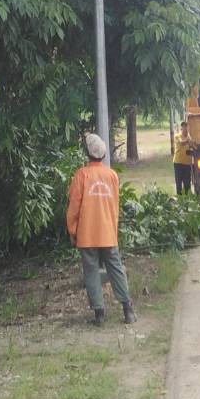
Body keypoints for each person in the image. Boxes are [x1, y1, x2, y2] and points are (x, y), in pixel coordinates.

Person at [66, 132, 137, 325]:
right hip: (107, 233)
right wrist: (113, 229)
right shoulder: (112, 175)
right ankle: (128, 310)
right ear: (103, 154)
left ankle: (99, 314)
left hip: (86, 234)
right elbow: (115, 206)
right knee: (116, 269)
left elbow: (74, 207)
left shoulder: (82, 175)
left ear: (87, 153)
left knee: (91, 272)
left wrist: (72, 231)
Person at [172, 119, 194, 195]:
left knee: (187, 183)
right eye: (183, 127)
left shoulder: (189, 137)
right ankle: (179, 198)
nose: (185, 129)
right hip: (178, 163)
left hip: (187, 164)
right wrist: (189, 141)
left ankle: (188, 198)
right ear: (181, 129)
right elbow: (181, 143)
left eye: (186, 127)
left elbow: (192, 146)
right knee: (179, 183)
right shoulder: (177, 136)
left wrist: (191, 142)